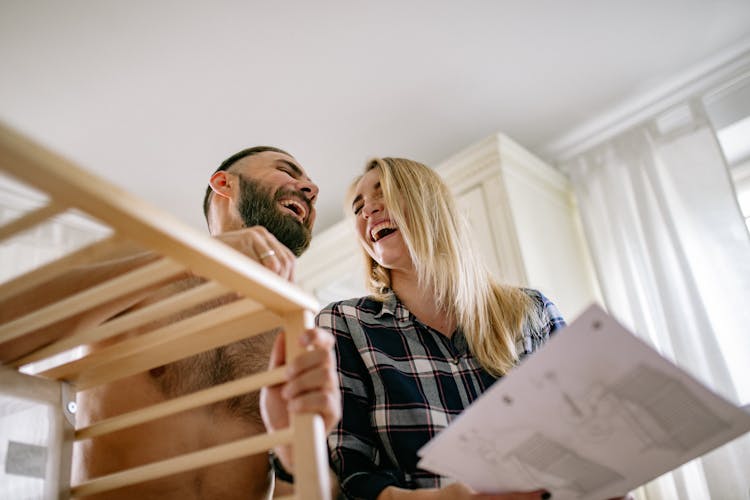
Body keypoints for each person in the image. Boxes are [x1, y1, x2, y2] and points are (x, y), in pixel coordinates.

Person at [0, 146, 340, 499]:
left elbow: (303, 488)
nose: (311, 190)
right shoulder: (136, 265)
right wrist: (192, 261)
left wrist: (301, 453)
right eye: (287, 170)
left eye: (311, 185)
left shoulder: (292, 328)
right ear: (224, 183)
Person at [317, 157, 627, 500]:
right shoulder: (345, 324)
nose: (367, 211)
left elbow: (593, 439)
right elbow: (352, 476)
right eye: (358, 207)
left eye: (385, 192)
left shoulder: (532, 312)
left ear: (431, 204)